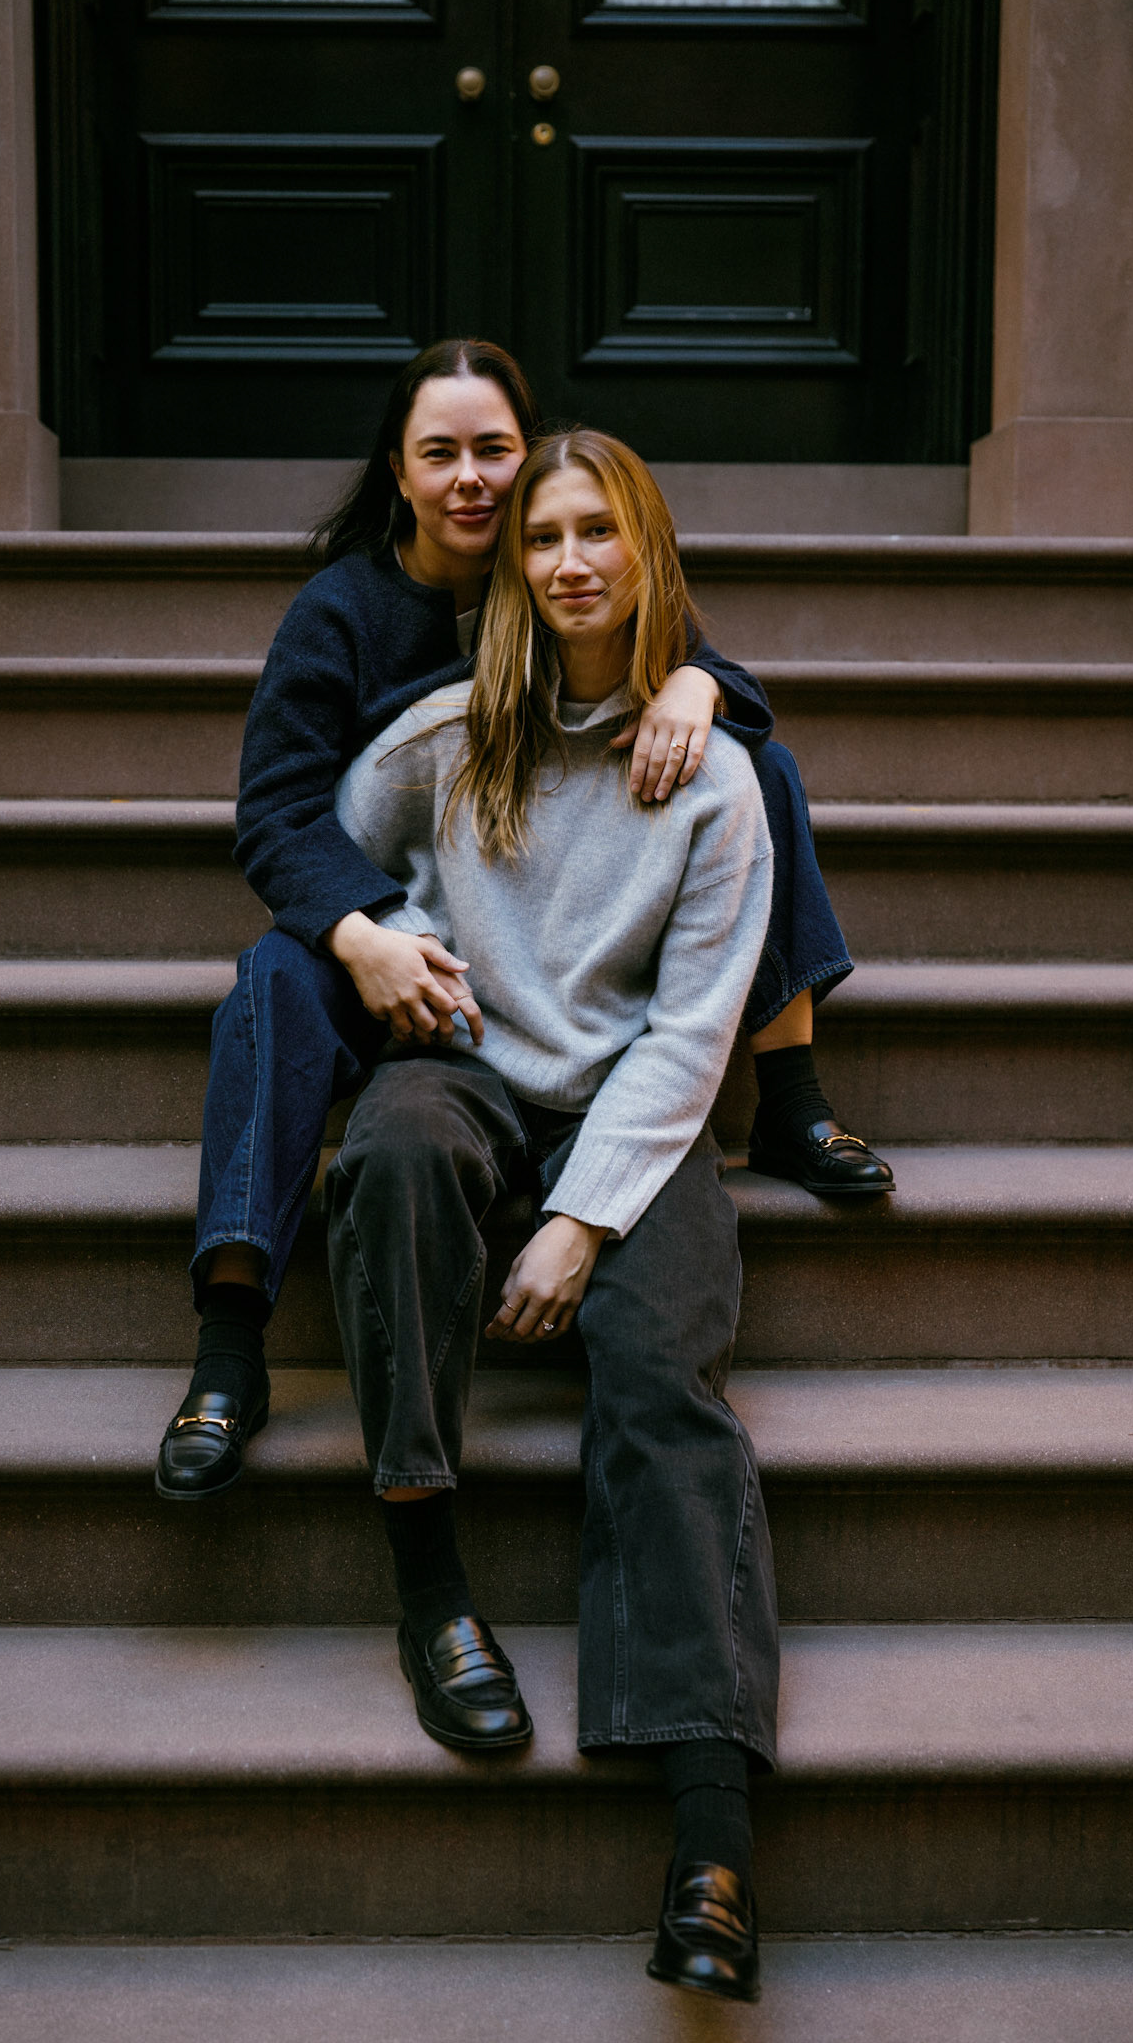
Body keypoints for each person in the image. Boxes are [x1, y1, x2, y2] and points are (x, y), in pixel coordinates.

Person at [155, 336, 888, 1505]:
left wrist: (703, 686)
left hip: (534, 916)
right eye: (438, 454)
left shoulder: (557, 555)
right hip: (387, 914)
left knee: (763, 768)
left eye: (495, 450)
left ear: (530, 452)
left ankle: (792, 1097)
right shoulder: (342, 611)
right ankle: (229, 1344)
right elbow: (279, 812)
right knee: (270, 982)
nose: (472, 480)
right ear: (398, 471)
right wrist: (364, 929)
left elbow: (683, 661)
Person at [326, 427, 779, 2002]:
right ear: (509, 568)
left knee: (662, 1386)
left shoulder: (716, 780)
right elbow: (323, 839)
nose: (572, 560)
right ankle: (429, 1585)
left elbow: (692, 1033)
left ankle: (708, 1844)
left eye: (601, 532)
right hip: (462, 1078)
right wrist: (375, 939)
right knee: (385, 1156)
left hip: (632, 1125)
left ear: (646, 552)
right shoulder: (447, 739)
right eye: (542, 537)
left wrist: (581, 1221)